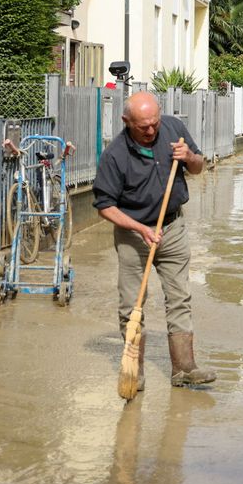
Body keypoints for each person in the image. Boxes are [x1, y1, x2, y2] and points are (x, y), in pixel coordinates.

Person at [94, 91, 215, 389]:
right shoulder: (115, 155)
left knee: (180, 297)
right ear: (126, 122)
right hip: (133, 234)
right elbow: (105, 206)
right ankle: (134, 371)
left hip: (172, 227)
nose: (151, 130)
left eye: (154, 123)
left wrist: (189, 157)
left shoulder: (173, 129)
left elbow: (200, 167)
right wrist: (141, 229)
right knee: (131, 303)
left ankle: (184, 368)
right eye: (143, 126)